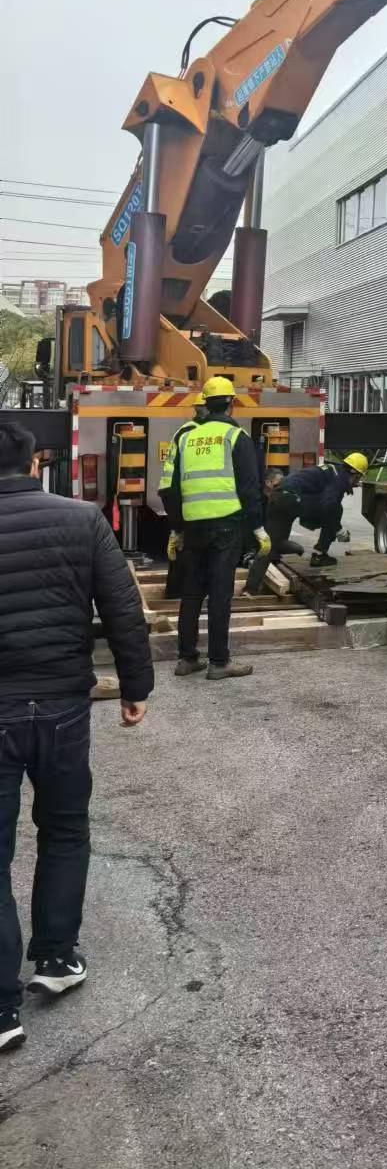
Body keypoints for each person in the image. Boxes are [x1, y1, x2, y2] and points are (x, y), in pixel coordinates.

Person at [0, 420, 153, 1055]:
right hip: (63, 706)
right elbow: (122, 608)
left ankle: (2, 1009)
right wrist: (136, 686)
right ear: (35, 464)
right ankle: (57, 958)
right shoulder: (82, 518)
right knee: (64, 830)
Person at [162, 376, 268, 681]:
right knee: (220, 594)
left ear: (205, 404)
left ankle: (187, 659)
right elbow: (249, 488)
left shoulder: (186, 438)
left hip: (193, 526)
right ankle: (219, 662)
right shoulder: (236, 437)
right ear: (231, 403)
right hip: (226, 526)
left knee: (192, 593)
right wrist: (258, 529)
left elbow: (173, 488)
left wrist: (176, 529)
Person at [245, 452, 367, 592]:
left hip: (278, 496)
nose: (356, 483)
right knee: (335, 509)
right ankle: (319, 555)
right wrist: (339, 530)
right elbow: (329, 505)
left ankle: (250, 588)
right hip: (292, 500)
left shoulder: (330, 471)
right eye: (358, 479)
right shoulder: (339, 479)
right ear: (355, 474)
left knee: (270, 545)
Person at [158, 401, 206, 598]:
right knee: (189, 549)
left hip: (175, 495)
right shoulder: (196, 433)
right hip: (185, 498)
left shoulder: (185, 431)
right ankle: (183, 593)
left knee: (182, 546)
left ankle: (175, 592)